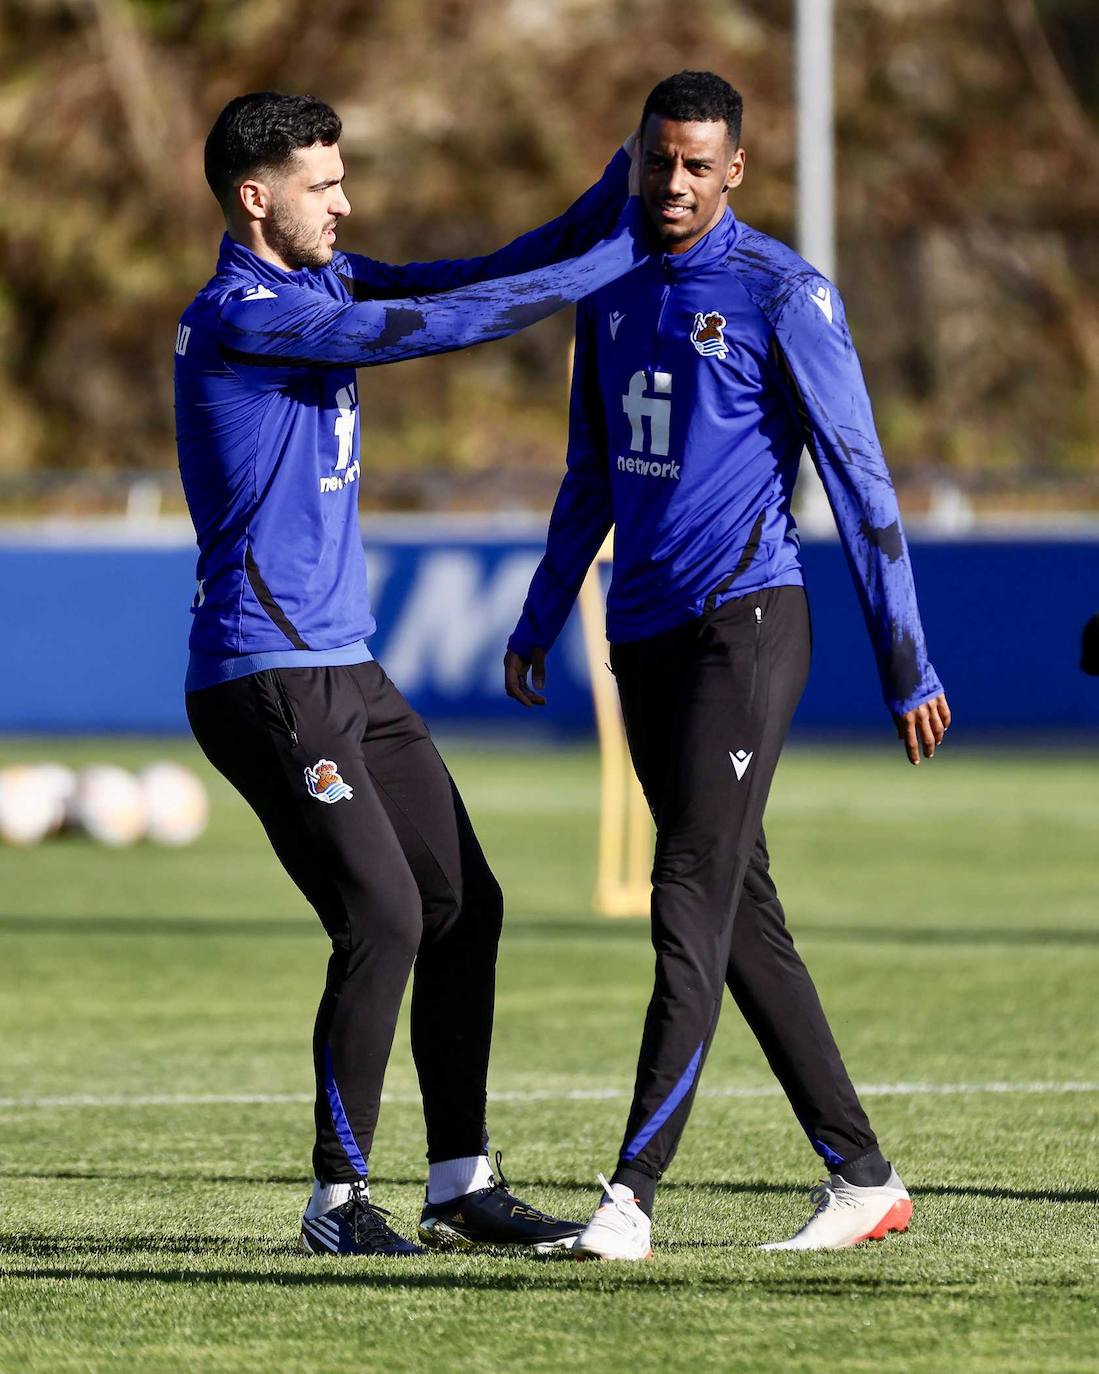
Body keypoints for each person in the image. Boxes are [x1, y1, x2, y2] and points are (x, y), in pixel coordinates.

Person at [176, 90, 647, 1257]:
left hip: (349, 670)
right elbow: (434, 330)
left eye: (342, 180)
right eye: (321, 185)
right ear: (256, 197)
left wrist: (616, 192)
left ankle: (458, 1182)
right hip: (264, 675)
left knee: (461, 904)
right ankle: (337, 1202)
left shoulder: (321, 281)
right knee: (381, 913)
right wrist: (610, 270)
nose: (344, 202)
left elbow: (472, 274)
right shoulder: (243, 314)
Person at [504, 70, 951, 1259]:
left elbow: (860, 483)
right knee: (740, 912)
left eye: (700, 164)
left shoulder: (783, 293)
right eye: (660, 160)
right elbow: (588, 474)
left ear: (736, 170)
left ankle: (628, 1198)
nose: (675, 183)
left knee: (687, 898)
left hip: (747, 624)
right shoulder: (602, 293)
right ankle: (862, 1179)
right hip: (640, 636)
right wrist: (541, 613)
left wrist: (905, 660)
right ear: (636, 157)